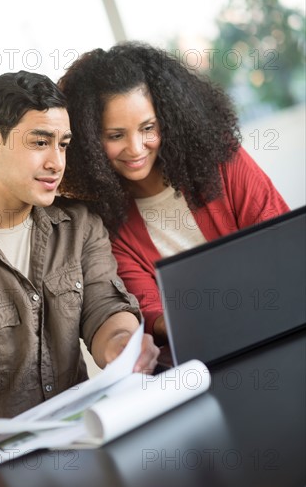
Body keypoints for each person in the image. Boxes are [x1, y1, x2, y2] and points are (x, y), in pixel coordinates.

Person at [0, 70, 159, 470]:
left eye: (63, 144)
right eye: (40, 142)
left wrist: (122, 344)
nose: (56, 162)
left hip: (82, 448)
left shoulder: (80, 225)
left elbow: (104, 307)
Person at [57, 41, 290, 348]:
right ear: (89, 142)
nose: (136, 148)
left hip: (281, 324)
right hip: (203, 357)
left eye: (148, 128)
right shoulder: (106, 222)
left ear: (168, 119)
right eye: (115, 135)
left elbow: (282, 244)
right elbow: (150, 313)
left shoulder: (222, 161)